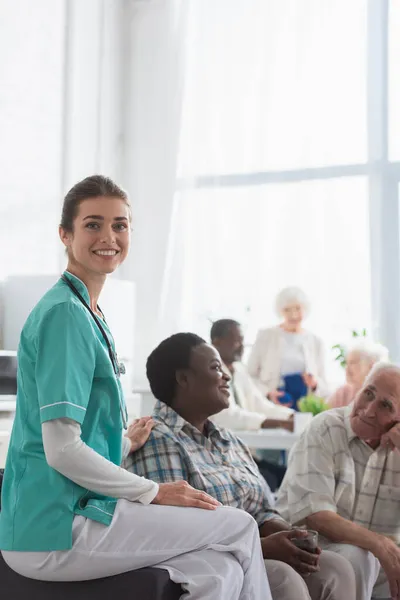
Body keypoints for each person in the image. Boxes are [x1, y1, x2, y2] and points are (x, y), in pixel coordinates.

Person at [0, 175, 271, 600]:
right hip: (53, 526)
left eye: (120, 225)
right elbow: (60, 449)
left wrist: (124, 442)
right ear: (65, 235)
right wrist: (155, 492)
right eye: (93, 224)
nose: (108, 236)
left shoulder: (89, 312)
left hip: (73, 512)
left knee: (216, 572)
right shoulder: (65, 316)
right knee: (239, 525)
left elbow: (77, 439)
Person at [125, 332, 356, 600]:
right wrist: (261, 547)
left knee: (336, 568)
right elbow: (177, 532)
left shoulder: (228, 439)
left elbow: (261, 511)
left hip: (254, 549)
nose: (227, 376)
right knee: (283, 580)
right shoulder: (155, 438)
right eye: (215, 368)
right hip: (211, 563)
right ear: (183, 379)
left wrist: (290, 535)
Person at [275, 363, 400, 600]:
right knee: (359, 557)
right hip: (308, 552)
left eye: (385, 405)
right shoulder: (325, 429)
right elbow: (318, 516)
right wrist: (379, 544)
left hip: (373, 562)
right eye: (368, 394)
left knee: (368, 558)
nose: (369, 410)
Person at [210, 319, 294, 490]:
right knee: (269, 481)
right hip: (223, 459)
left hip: (245, 456)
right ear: (217, 342)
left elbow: (260, 404)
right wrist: (274, 423)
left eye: (242, 341)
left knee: (289, 476)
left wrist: (291, 416)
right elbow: (227, 416)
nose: (241, 346)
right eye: (236, 341)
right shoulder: (209, 373)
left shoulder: (239, 370)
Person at [248, 286, 329, 410]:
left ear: (305, 309)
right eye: (287, 310)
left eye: (298, 308)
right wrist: (268, 393)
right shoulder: (266, 336)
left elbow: (324, 384)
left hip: (304, 404)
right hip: (273, 403)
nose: (293, 315)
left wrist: (314, 384)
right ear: (280, 311)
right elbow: (249, 376)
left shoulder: (316, 341)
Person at [327, 339, 388, 408]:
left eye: (352, 363)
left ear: (372, 365)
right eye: (346, 363)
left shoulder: (387, 394)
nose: (347, 369)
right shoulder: (342, 394)